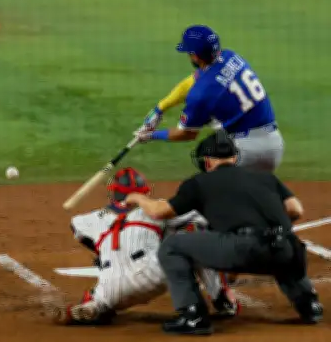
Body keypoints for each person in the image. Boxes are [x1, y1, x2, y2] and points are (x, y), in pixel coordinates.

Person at [126, 131, 323, 335]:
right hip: (285, 251)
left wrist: (138, 198)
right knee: (282, 243)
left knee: (172, 246)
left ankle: (193, 316)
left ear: (208, 161)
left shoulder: (199, 183)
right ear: (235, 158)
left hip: (240, 249)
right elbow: (295, 210)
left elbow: (159, 211)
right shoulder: (266, 178)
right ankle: (309, 305)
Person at [42, 167, 237, 326]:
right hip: (153, 275)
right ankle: (221, 297)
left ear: (113, 194)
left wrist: (100, 252)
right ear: (142, 193)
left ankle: (95, 305)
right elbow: (201, 218)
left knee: (103, 293)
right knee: (194, 237)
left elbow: (75, 226)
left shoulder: (91, 219)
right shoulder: (154, 211)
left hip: (112, 286)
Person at [135, 24, 284, 173]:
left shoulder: (200, 95)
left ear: (195, 55)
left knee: (207, 158)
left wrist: (151, 135)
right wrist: (160, 108)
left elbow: (187, 133)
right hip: (275, 143)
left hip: (245, 151)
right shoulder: (231, 56)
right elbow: (193, 81)